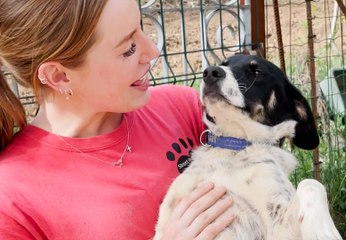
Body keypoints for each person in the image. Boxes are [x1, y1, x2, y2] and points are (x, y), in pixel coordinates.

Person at [0, 0, 235, 239]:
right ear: (59, 75)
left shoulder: (183, 109)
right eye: (129, 49)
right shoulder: (13, 200)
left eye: (141, 27)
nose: (152, 51)